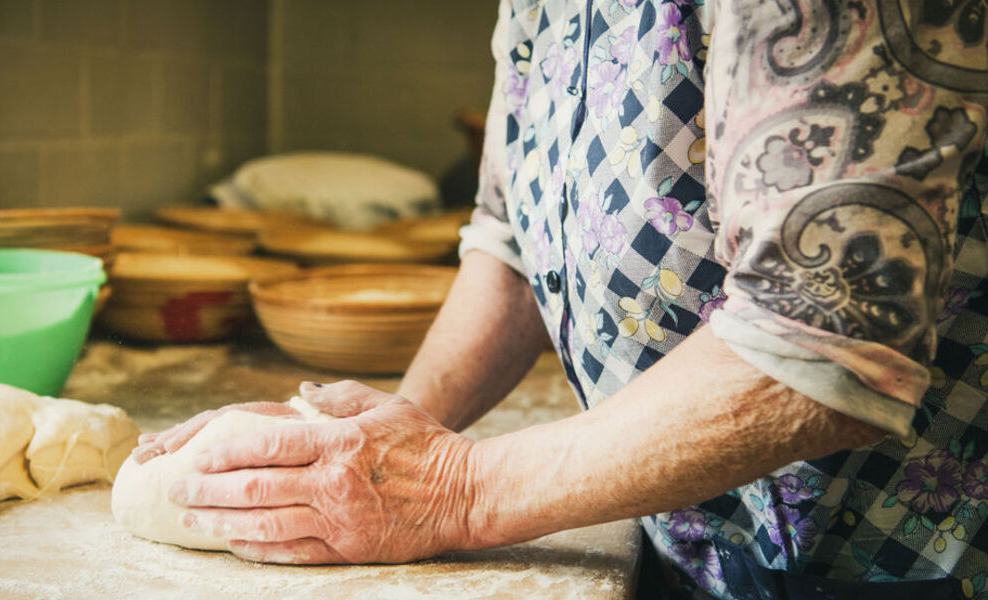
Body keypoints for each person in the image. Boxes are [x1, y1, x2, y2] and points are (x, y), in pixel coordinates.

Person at [133, 1, 988, 597]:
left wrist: (451, 489)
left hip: (911, 561)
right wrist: (372, 441)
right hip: (688, 546)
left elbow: (819, 329)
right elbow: (511, 243)